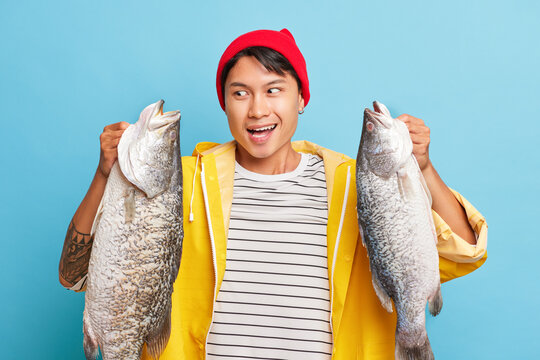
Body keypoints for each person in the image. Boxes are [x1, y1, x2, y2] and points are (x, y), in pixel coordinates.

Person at [59, 28, 488, 359]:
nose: (258, 109)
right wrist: (104, 175)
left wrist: (425, 169)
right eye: (240, 93)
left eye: (274, 90)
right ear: (225, 104)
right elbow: (75, 274)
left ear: (302, 97)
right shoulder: (180, 183)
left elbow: (465, 250)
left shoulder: (355, 184)